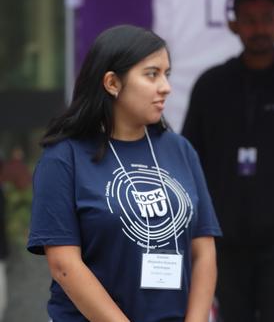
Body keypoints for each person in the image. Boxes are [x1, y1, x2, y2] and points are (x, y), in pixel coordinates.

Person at [27, 25, 222, 322]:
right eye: (151, 74)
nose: (165, 87)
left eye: (166, 75)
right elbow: (64, 265)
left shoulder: (179, 149)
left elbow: (204, 252)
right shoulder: (64, 158)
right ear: (112, 83)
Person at [181, 0, 274, 320]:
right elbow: (189, 155)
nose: (258, 29)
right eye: (249, 21)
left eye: (265, 20)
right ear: (234, 25)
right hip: (223, 237)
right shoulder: (212, 85)